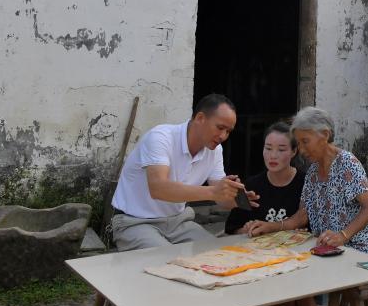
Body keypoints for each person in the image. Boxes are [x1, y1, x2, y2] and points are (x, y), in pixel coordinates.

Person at [223, 106, 368, 306]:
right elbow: (301, 217)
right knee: (290, 272)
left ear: (325, 135)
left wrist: (343, 235)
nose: (303, 149)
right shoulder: (312, 172)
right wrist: (269, 226)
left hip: (357, 250)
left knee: (297, 279)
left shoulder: (347, 163)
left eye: (305, 142)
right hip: (326, 249)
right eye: (300, 143)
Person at [110, 93, 258, 252]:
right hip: (135, 221)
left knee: (218, 255)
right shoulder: (161, 137)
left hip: (178, 222)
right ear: (200, 118)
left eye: (228, 131)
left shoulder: (214, 151)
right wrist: (214, 191)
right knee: (168, 261)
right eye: (220, 128)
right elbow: (158, 188)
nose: (223, 136)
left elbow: (220, 199)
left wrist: (235, 198)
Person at [223, 121, 305, 235]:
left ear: (294, 151)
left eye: (281, 150)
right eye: (268, 148)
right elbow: (232, 228)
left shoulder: (305, 183)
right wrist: (246, 230)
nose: (273, 156)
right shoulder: (252, 185)